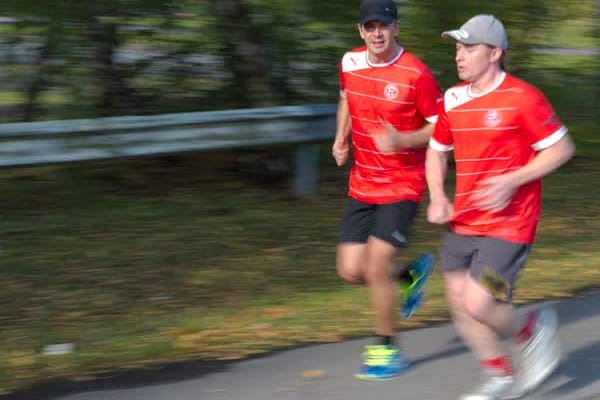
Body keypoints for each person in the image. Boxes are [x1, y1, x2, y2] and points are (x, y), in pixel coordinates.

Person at [426, 14, 575, 400]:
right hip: (463, 222)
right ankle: (499, 374)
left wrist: (513, 179)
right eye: (458, 47)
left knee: (480, 301)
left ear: (495, 53)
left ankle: (531, 331)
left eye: (469, 47)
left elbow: (561, 148)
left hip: (510, 225)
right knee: (460, 306)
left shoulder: (522, 97)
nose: (460, 56)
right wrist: (438, 197)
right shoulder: (453, 99)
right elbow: (436, 152)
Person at [332, 0, 441, 381]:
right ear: (361, 31)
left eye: (384, 25)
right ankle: (409, 275)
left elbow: (441, 128)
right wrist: (340, 137)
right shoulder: (350, 62)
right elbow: (346, 98)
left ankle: (386, 350)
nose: (377, 33)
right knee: (350, 270)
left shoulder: (416, 74)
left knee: (375, 265)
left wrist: (404, 139)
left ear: (396, 28)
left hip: (404, 182)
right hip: (363, 182)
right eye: (370, 26)